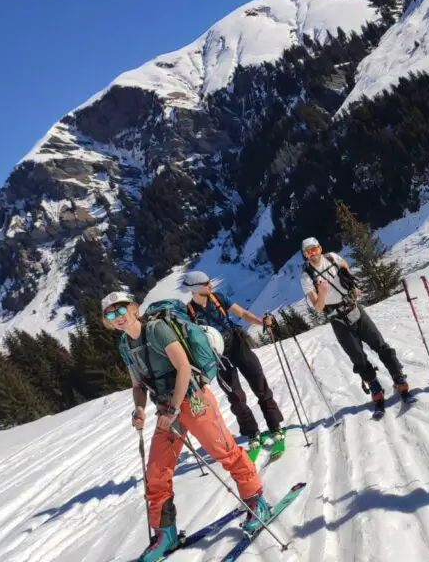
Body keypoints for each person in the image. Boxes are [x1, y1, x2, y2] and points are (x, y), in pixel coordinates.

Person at [101, 291, 269, 562]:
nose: (117, 317)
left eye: (120, 310)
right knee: (156, 471)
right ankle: (165, 532)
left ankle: (255, 501)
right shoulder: (125, 344)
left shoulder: (157, 329)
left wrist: (173, 408)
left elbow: (183, 368)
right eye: (110, 314)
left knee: (224, 451)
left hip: (192, 398)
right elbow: (137, 385)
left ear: (133, 307)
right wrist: (140, 409)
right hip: (167, 409)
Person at [299, 237, 411, 416]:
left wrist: (350, 285)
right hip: (337, 319)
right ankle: (375, 388)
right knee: (357, 357)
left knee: (379, 344)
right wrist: (322, 293)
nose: (312, 254)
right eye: (308, 252)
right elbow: (319, 308)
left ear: (320, 248)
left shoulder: (332, 258)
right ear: (304, 254)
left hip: (354, 308)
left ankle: (398, 377)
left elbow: (345, 267)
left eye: (314, 249)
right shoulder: (306, 277)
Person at [181, 271, 284, 459]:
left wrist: (261, 321)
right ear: (195, 288)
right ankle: (252, 432)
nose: (210, 284)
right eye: (206, 282)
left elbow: (242, 312)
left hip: (236, 344)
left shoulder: (218, 298)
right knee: (235, 396)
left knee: (259, 382)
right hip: (216, 356)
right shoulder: (189, 312)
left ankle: (275, 425)